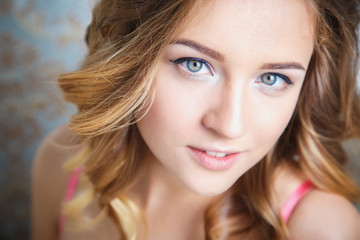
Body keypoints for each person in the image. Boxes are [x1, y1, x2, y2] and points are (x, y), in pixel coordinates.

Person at [32, 0, 360, 239]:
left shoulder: (320, 228)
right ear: (129, 59)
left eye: (273, 79)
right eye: (194, 65)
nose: (230, 126)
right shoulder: (63, 162)